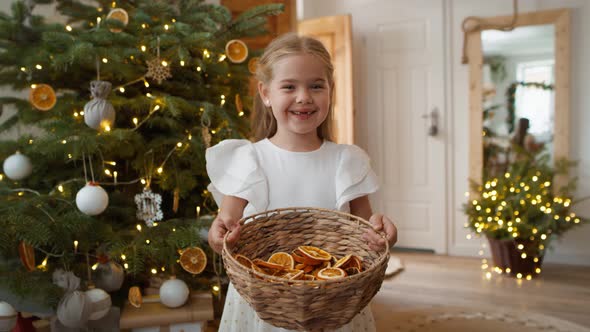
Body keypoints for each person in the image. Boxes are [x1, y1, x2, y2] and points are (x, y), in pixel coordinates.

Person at [206, 33, 398, 332]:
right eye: (289, 86)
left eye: (316, 86)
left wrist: (382, 234)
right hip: (264, 304)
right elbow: (224, 228)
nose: (304, 97)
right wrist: (219, 237)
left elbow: (366, 232)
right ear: (266, 93)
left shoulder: (346, 161)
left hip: (333, 302)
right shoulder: (249, 159)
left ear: (330, 91)